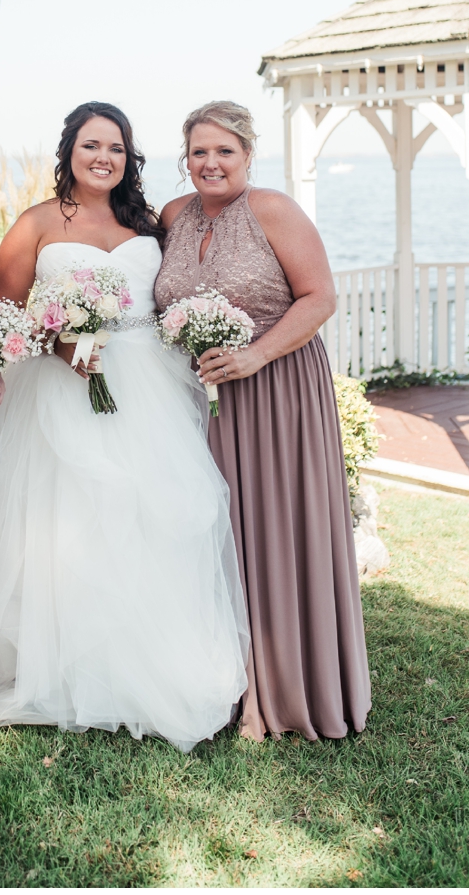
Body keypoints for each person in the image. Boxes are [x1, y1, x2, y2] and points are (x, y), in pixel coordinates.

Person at [0, 102, 248, 752]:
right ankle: (69, 665)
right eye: (91, 144)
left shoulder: (148, 221)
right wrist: (61, 346)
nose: (103, 157)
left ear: (129, 159)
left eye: (117, 148)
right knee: (67, 521)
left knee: (151, 516)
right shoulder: (35, 224)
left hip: (148, 385)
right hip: (61, 388)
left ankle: (154, 661)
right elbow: (5, 316)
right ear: (67, 147)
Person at [154, 101, 369, 741]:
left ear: (248, 156)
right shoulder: (172, 217)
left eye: (224, 151)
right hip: (197, 400)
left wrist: (253, 356)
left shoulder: (272, 209)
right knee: (214, 532)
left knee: (275, 527)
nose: (211, 163)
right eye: (199, 152)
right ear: (185, 158)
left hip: (278, 392)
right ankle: (222, 676)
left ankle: (285, 686)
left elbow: (320, 296)